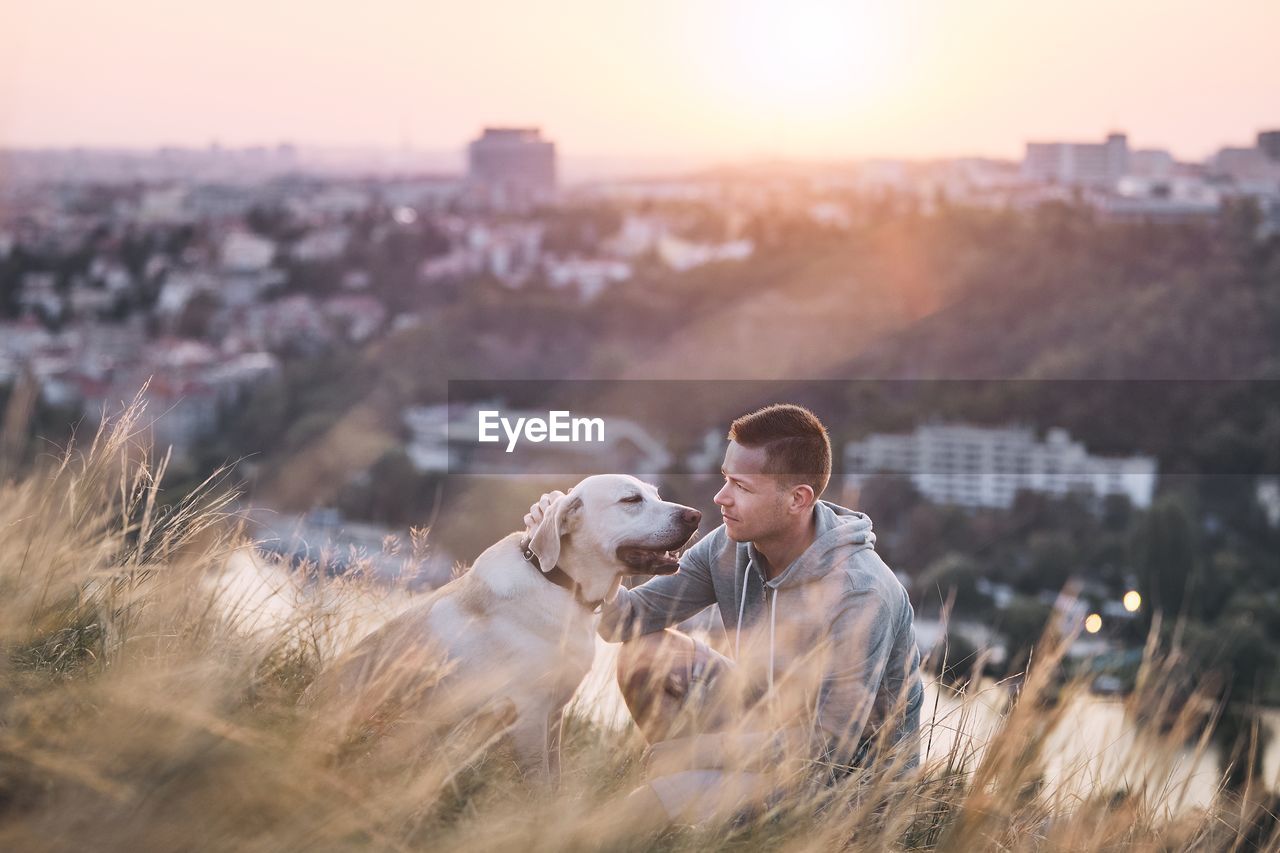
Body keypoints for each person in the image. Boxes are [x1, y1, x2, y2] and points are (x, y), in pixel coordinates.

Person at [523, 403, 923, 829]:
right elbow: (623, 623)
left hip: (850, 792)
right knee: (647, 653)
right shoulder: (729, 547)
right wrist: (576, 547)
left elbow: (826, 750)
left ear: (797, 498)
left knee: (640, 812)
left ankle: (686, 796)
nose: (721, 497)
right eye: (724, 478)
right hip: (766, 725)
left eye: (741, 486)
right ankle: (694, 799)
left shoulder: (860, 593)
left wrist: (697, 751)